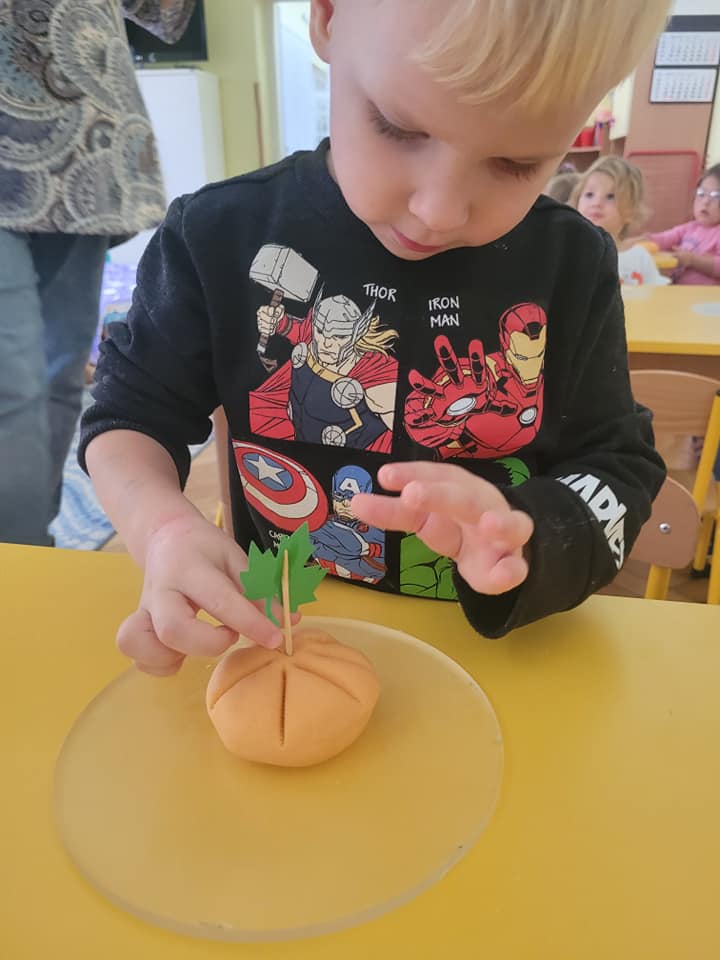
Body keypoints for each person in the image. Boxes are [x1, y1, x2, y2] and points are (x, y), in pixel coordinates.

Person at [80, 0, 669, 677]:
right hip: (284, 639)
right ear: (328, 17)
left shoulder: (571, 265)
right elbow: (128, 415)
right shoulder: (217, 235)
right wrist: (162, 529)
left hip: (498, 660)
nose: (438, 210)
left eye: (515, 163)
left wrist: (530, 537)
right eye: (398, 127)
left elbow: (618, 468)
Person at [0, 0, 196, 546]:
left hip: (80, 144)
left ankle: (33, 546)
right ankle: (21, 566)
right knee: (11, 386)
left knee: (61, 375)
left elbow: (164, 13)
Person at [572, 157, 668, 286]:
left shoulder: (640, 258)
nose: (596, 203)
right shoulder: (568, 251)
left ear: (631, 211)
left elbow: (657, 294)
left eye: (610, 197)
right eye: (589, 194)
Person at [630, 163, 720, 285]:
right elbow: (664, 239)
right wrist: (643, 239)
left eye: (716, 196)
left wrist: (693, 260)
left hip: (705, 295)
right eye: (701, 193)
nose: (706, 201)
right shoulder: (690, 228)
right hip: (677, 289)